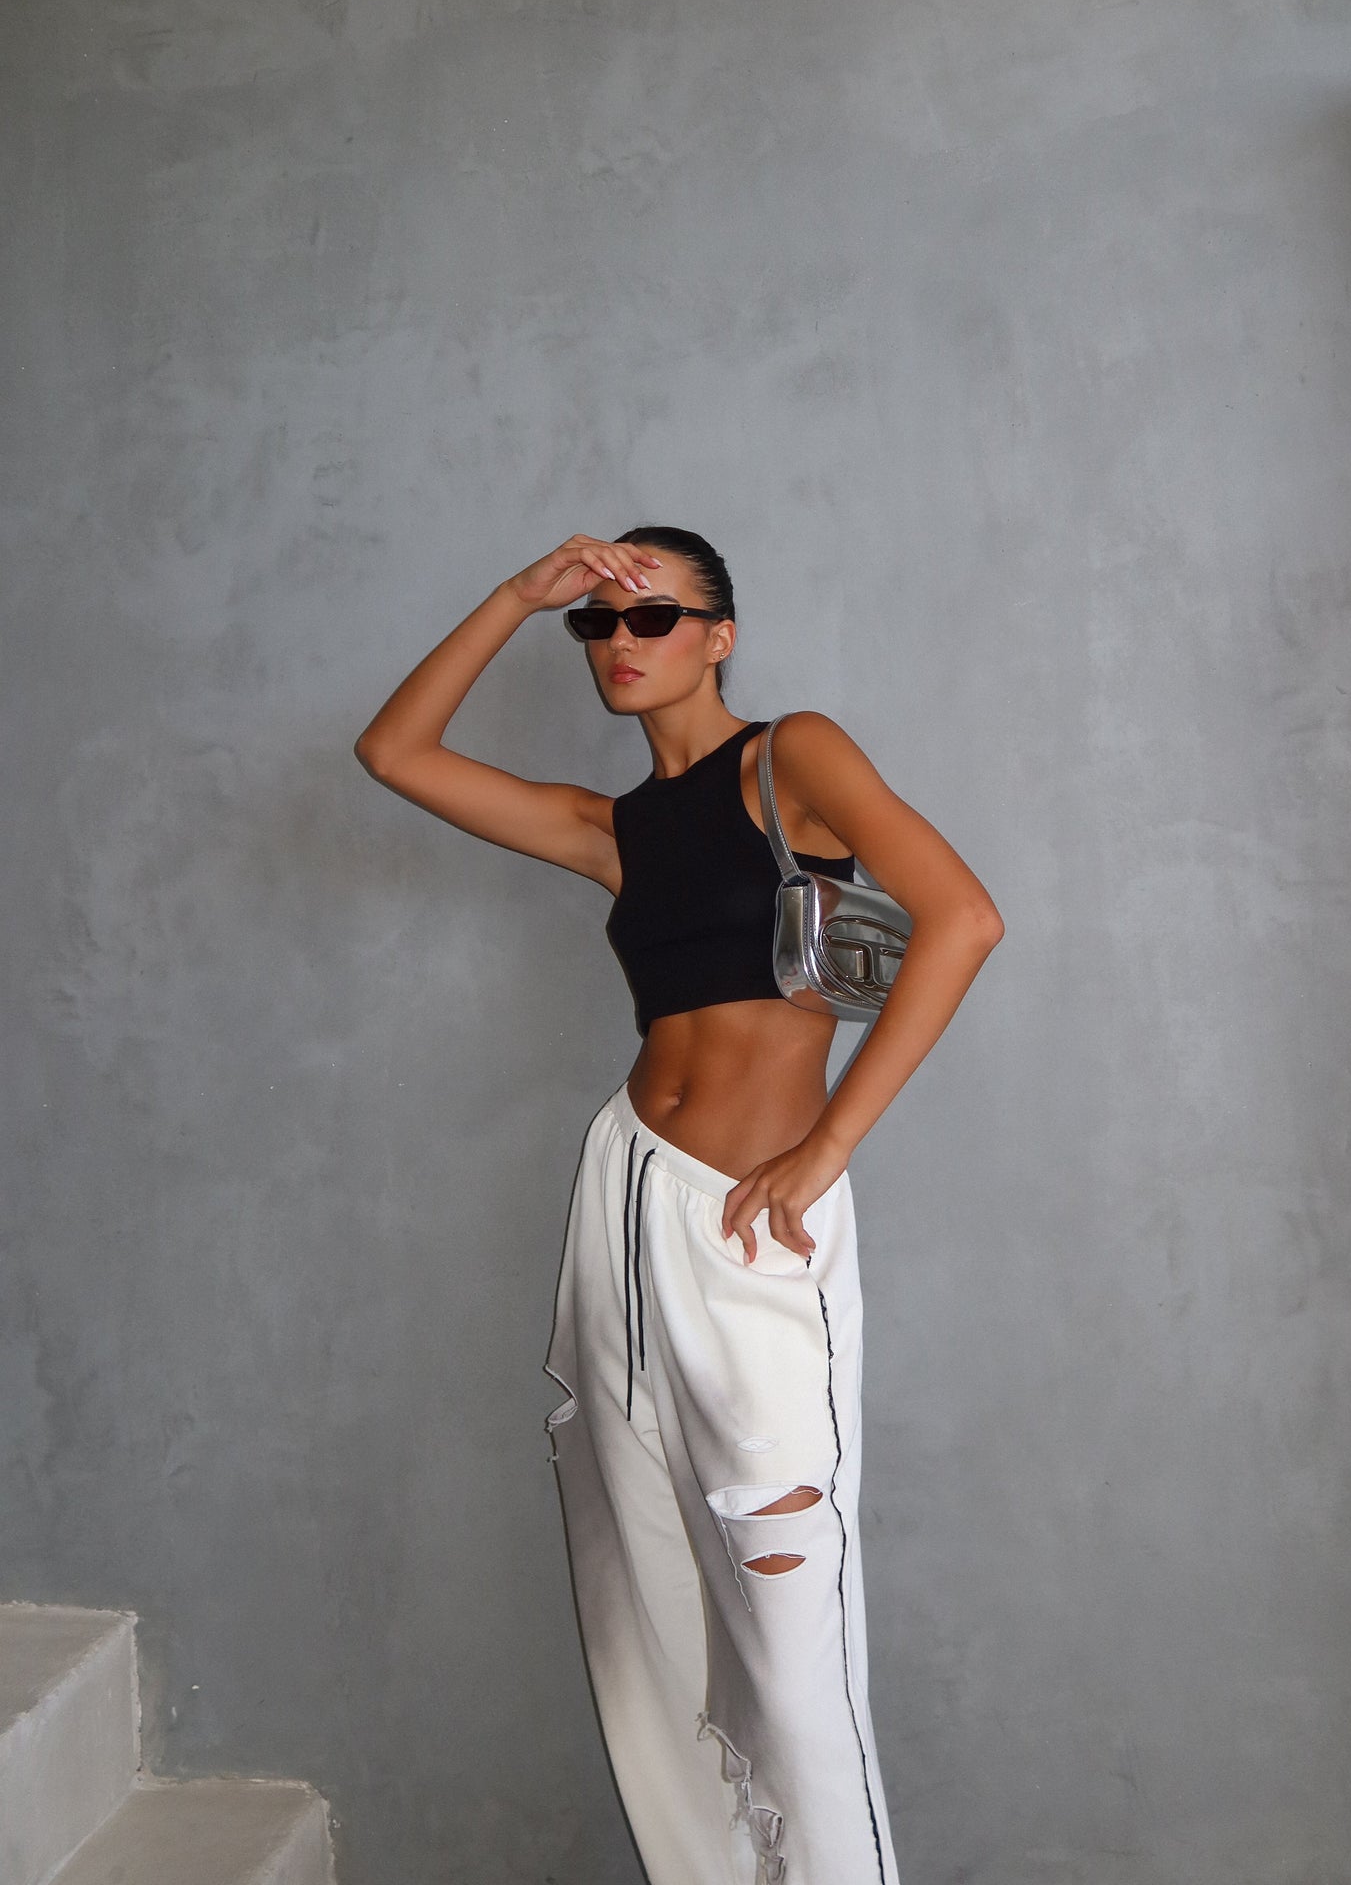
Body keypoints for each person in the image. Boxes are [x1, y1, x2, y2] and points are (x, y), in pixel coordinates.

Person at [354, 527, 1004, 1885]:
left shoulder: (791, 758)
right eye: (596, 623)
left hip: (754, 1228)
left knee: (789, 1621)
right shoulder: (617, 831)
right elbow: (395, 754)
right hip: (627, 1203)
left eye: (652, 616)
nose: (620, 642)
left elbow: (962, 919)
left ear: (719, 636)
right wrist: (517, 595)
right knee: (640, 1590)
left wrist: (827, 1146)